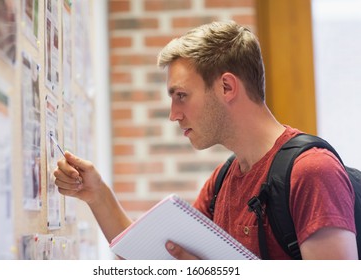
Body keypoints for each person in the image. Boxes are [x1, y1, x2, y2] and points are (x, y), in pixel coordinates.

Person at [54, 21, 358, 259]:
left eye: (181, 96)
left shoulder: (312, 172)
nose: (174, 114)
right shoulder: (223, 181)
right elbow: (159, 260)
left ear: (226, 87)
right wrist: (98, 196)